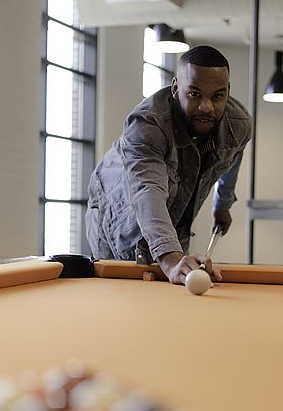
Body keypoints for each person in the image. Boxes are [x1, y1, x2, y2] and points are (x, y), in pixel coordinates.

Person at [85, 45, 251, 285]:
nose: (207, 107)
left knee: (175, 280)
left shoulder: (239, 124)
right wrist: (170, 258)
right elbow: (147, 189)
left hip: (172, 215)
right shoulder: (146, 125)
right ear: (175, 88)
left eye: (217, 95)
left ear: (228, 91)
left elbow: (233, 158)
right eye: (194, 94)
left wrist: (222, 204)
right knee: (125, 294)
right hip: (115, 212)